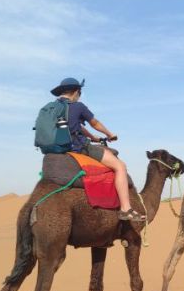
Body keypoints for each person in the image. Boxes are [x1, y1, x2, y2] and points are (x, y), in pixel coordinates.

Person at [49, 78, 145, 222]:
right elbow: (95, 123)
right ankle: (126, 209)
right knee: (120, 166)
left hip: (57, 148)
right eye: (79, 93)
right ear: (76, 92)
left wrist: (93, 138)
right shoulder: (78, 106)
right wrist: (109, 134)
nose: (79, 96)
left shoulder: (52, 108)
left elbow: (77, 127)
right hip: (77, 148)